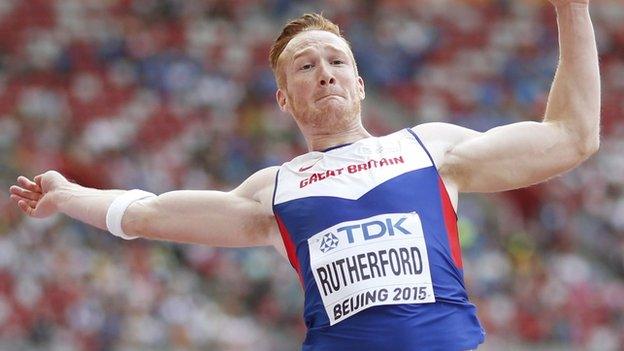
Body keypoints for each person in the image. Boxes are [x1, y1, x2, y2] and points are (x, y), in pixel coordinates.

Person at [9, 0, 600, 350]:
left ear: (360, 84)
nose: (325, 72)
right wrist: (69, 195)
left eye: (338, 61)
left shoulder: (430, 148)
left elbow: (572, 137)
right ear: (284, 100)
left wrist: (571, 8)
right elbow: (149, 213)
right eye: (306, 65)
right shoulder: (275, 191)